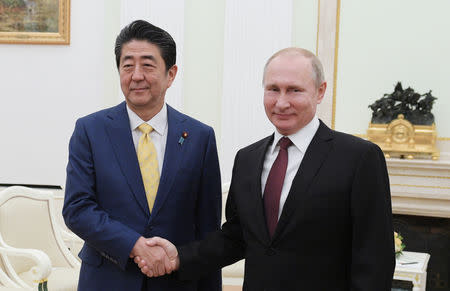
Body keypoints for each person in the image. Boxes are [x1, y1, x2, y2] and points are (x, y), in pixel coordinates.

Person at [136, 47, 396, 290]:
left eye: (294, 90)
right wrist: (179, 257)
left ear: (320, 91)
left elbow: (375, 259)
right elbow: (236, 237)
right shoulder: (247, 159)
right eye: (273, 89)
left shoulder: (359, 158)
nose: (281, 103)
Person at [62, 20, 222, 291]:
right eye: (127, 65)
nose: (136, 75)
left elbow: (207, 229)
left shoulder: (200, 137)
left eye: (147, 65)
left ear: (171, 74)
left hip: (176, 282)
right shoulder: (90, 130)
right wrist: (134, 246)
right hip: (108, 280)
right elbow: (78, 209)